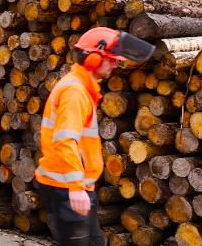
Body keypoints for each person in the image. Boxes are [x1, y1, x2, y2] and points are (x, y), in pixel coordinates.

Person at [35, 27, 154, 246]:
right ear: (93, 59)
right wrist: (75, 187)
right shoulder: (75, 92)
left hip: (75, 186)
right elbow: (65, 140)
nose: (116, 65)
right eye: (111, 60)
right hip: (65, 186)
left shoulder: (82, 88)